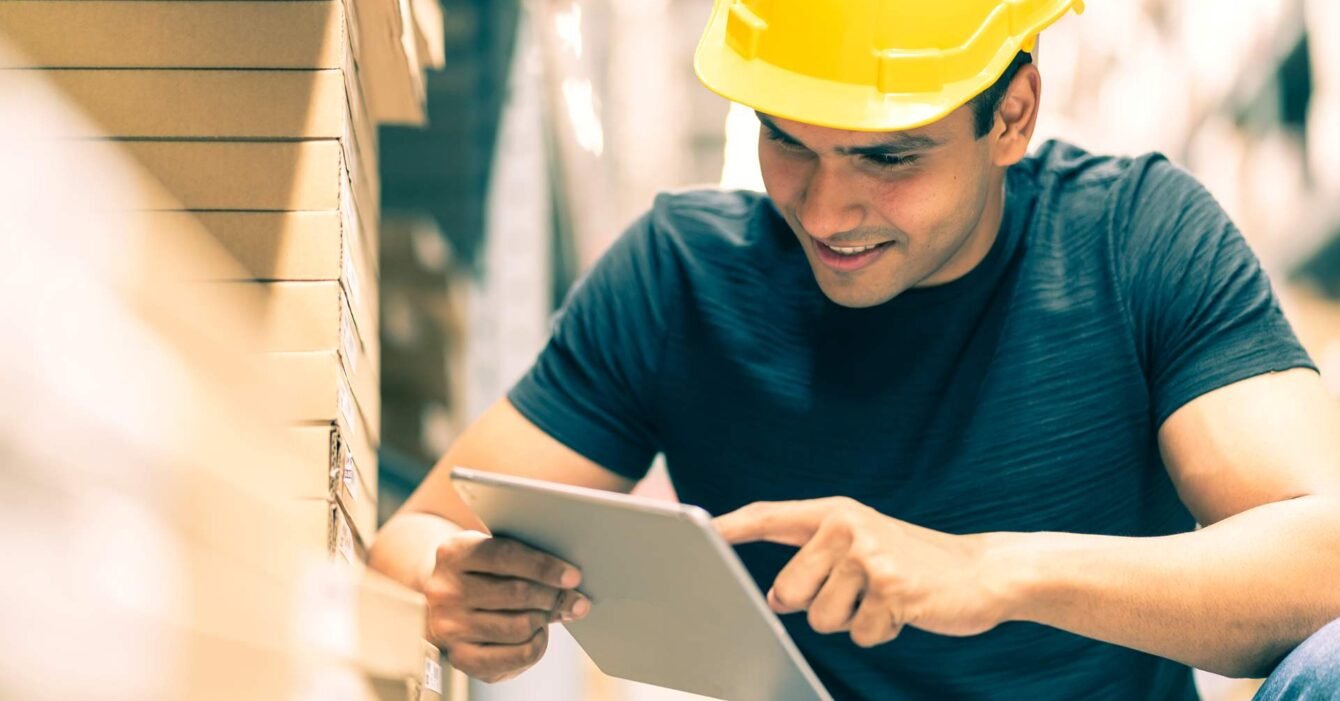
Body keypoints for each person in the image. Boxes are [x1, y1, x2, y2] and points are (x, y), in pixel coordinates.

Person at [370, 1, 1340, 698]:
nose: (825, 210)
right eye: (785, 141)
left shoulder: (1133, 241)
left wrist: (985, 572)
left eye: (886, 156)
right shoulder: (678, 279)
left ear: (1010, 115)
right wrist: (456, 588)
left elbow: (1324, 558)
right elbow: (406, 543)